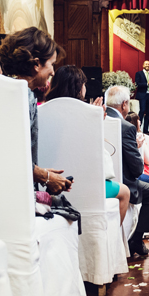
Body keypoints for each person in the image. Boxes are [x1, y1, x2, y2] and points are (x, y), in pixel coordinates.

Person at [44, 66, 130, 225]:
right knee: (125, 192)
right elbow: (88, 152)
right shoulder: (86, 112)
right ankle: (113, 243)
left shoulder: (42, 109)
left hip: (50, 179)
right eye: (84, 84)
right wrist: (96, 121)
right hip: (84, 183)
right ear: (79, 87)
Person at [0, 28, 73, 195]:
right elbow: (11, 157)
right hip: (14, 195)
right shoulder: (25, 96)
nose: (53, 72)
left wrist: (42, 173)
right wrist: (46, 177)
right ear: (36, 64)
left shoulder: (0, 89)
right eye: (52, 64)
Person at [105, 85, 149, 256]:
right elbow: (137, 169)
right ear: (124, 105)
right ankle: (137, 239)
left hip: (104, 178)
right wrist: (137, 149)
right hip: (123, 181)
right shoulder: (126, 127)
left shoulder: (96, 120)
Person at [134, 60, 149, 133]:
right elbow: (137, 84)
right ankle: (138, 129)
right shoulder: (138, 74)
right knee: (142, 111)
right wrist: (147, 83)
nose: (147, 65)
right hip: (142, 95)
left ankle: (146, 130)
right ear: (143, 65)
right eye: (146, 64)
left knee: (148, 113)